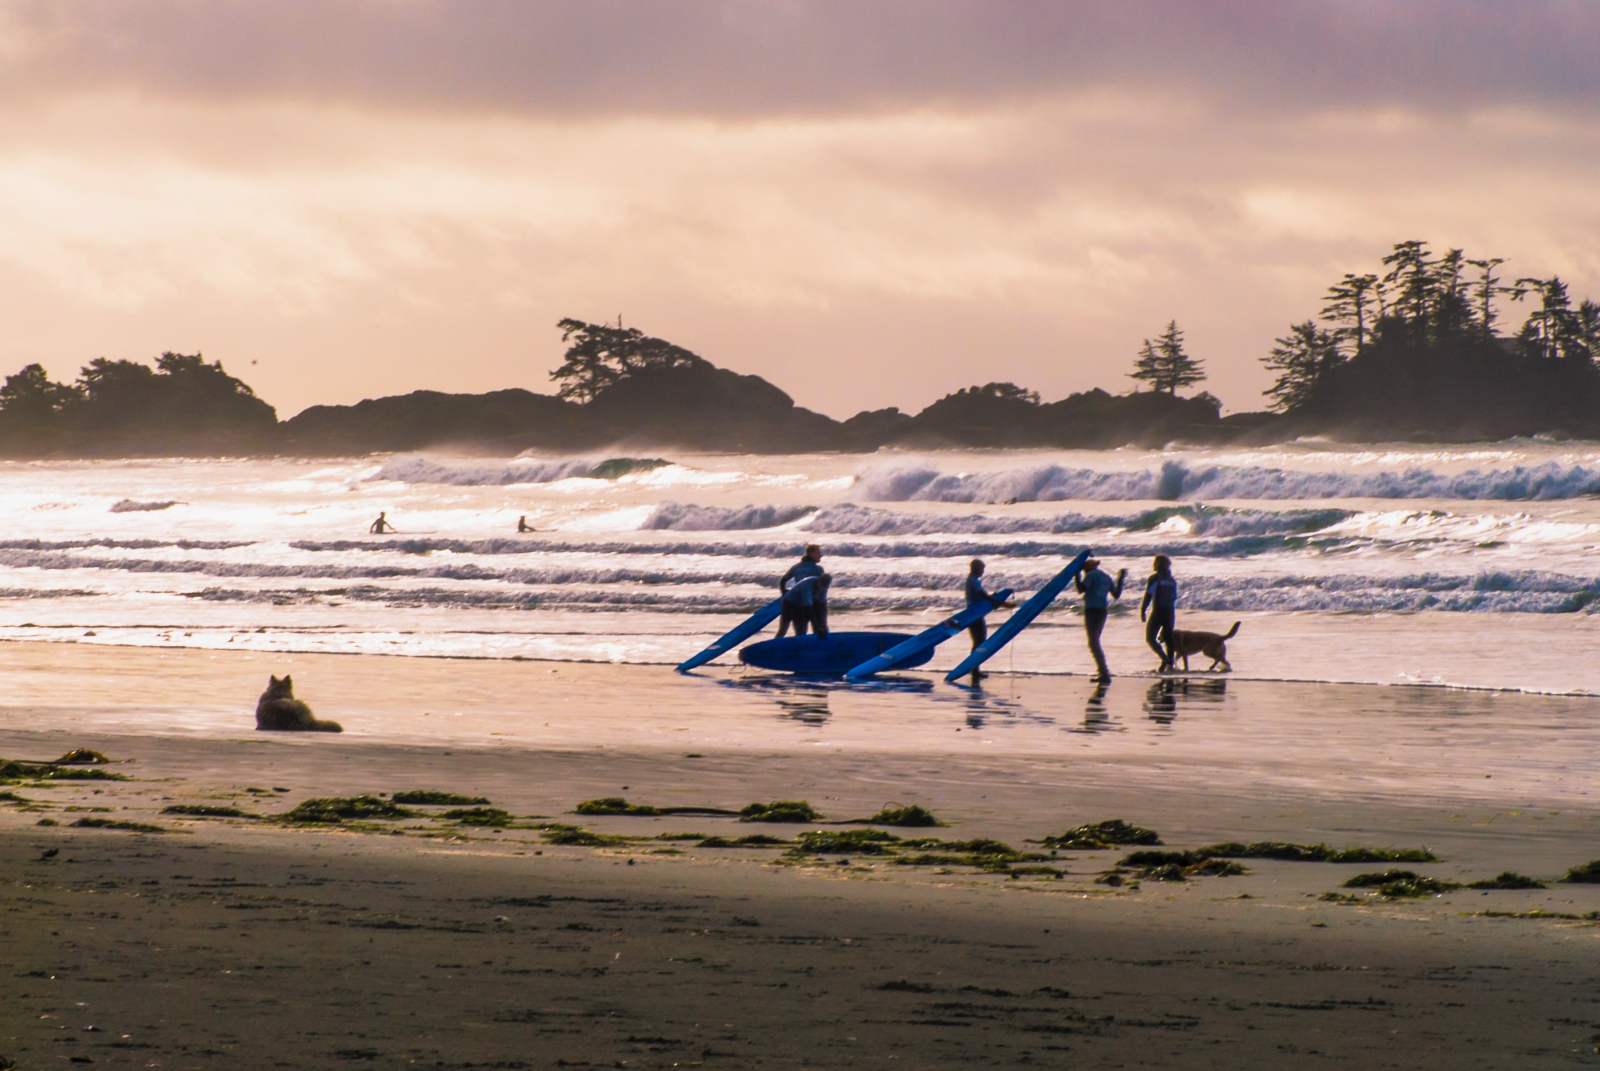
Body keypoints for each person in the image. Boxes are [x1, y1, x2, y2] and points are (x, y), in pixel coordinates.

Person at [962, 559, 1015, 685]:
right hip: (974, 615)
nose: (982, 572)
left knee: (979, 642)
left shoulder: (973, 580)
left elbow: (982, 596)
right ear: (975, 568)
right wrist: (992, 601)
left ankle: (975, 669)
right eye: (981, 569)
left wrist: (996, 599)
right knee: (978, 642)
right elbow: (981, 594)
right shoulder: (972, 580)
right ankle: (974, 670)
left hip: (975, 614)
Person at [1074, 558, 1126, 682]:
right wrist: (1120, 578)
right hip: (1103, 610)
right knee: (1094, 641)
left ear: (1087, 569)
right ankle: (1103, 672)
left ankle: (1104, 673)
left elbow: (1081, 589)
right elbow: (1116, 595)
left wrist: (1076, 574)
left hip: (1092, 610)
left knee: (1093, 642)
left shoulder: (1091, 575)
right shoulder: (1106, 577)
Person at [776, 545, 826, 638]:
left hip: (797, 603)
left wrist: (784, 593)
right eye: (818, 553)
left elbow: (783, 580)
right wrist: (823, 607)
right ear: (811, 553)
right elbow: (821, 589)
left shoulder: (796, 567)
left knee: (800, 632)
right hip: (812, 603)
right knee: (818, 629)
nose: (820, 555)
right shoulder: (818, 569)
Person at [1140, 554, 1179, 671]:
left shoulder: (1154, 578)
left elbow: (1148, 594)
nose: (1153, 564)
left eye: (1154, 562)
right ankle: (1170, 665)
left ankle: (1164, 659)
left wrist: (1143, 610)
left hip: (1158, 611)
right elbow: (1173, 597)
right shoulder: (1172, 580)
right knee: (1168, 640)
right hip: (1170, 612)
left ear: (1158, 564)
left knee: (1150, 638)